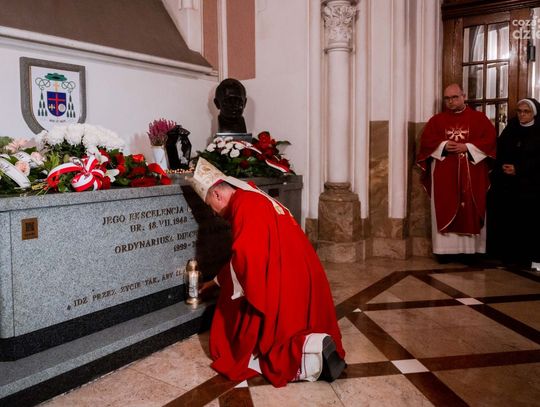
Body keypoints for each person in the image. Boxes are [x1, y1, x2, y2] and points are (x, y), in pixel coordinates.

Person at [187, 158, 346, 387]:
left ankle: (305, 355)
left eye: (211, 207)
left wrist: (231, 290)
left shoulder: (244, 205)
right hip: (304, 272)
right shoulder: (253, 196)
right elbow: (246, 253)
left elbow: (245, 257)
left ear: (218, 195)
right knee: (295, 321)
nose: (215, 213)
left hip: (285, 278)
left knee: (239, 319)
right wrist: (215, 281)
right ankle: (316, 345)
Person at [417, 83, 496, 262]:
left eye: (455, 97)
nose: (451, 101)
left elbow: (490, 140)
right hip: (445, 173)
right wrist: (443, 145)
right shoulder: (436, 121)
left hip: (472, 172)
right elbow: (426, 143)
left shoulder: (479, 118)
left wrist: (467, 147)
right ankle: (444, 251)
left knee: (470, 208)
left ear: (463, 96)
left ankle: (471, 252)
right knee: (445, 203)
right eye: (447, 98)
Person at [488, 98, 540, 271]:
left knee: (527, 223)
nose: (522, 115)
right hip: (508, 185)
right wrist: (502, 166)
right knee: (508, 221)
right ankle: (507, 257)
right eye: (519, 111)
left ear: (534, 114)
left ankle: (526, 259)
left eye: (526, 111)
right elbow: (500, 149)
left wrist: (519, 169)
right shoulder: (511, 128)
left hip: (530, 186)